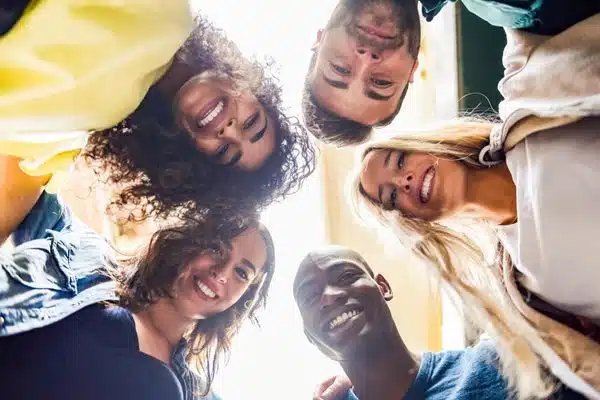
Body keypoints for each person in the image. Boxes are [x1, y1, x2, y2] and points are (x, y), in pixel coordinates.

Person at [0, 8, 315, 243]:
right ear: (250, 88)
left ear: (189, 160)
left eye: (223, 151)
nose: (229, 131)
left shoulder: (77, 131)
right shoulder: (168, 13)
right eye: (252, 122)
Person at [0, 191, 276, 400]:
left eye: (242, 273)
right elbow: (25, 182)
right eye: (217, 248)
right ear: (191, 237)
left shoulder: (195, 393)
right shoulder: (87, 256)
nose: (222, 273)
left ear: (245, 297)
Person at [301, 0, 600, 146]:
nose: (367, 58)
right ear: (412, 68)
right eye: (380, 82)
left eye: (340, 69)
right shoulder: (521, 5)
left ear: (319, 38)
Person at [294, 245, 513, 400]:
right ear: (309, 336)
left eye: (346, 276)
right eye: (310, 297)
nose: (330, 296)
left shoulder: (495, 365)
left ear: (383, 287)